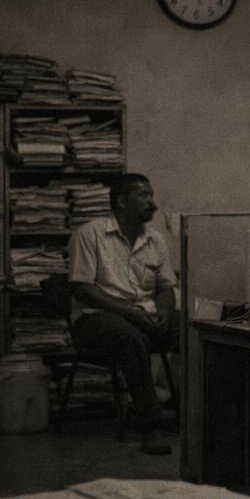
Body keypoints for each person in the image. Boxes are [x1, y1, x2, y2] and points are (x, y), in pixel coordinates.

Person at [68, 173, 178, 455]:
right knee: (131, 338)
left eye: (151, 195)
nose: (151, 202)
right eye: (143, 195)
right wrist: (131, 313)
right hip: (96, 318)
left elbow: (166, 287)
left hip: (144, 314)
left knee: (196, 330)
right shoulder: (90, 234)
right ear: (121, 201)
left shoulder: (156, 240)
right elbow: (82, 289)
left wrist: (164, 311)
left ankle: (185, 414)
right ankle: (150, 427)